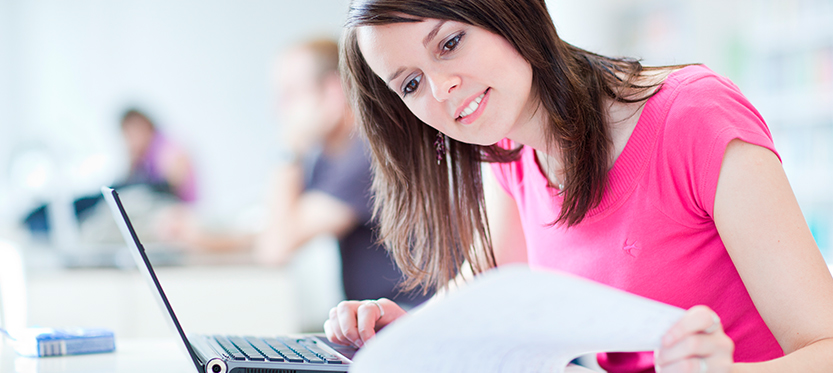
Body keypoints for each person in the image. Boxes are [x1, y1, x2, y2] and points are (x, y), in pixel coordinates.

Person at [322, 0, 833, 371]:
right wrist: (400, 330)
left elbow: (826, 348)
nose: (441, 88)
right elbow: (476, 303)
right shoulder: (510, 155)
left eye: (450, 43)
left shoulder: (693, 115)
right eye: (410, 84)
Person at [170, 38, 429, 308]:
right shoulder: (330, 157)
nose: (276, 110)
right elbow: (276, 228)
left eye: (289, 95)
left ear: (332, 92)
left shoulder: (365, 155)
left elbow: (276, 248)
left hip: (409, 314)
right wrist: (204, 239)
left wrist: (288, 148)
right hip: (380, 313)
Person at [120, 108, 198, 203]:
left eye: (131, 134)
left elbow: (173, 180)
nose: (130, 142)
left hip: (183, 206)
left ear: (144, 127)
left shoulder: (164, 146)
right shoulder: (145, 155)